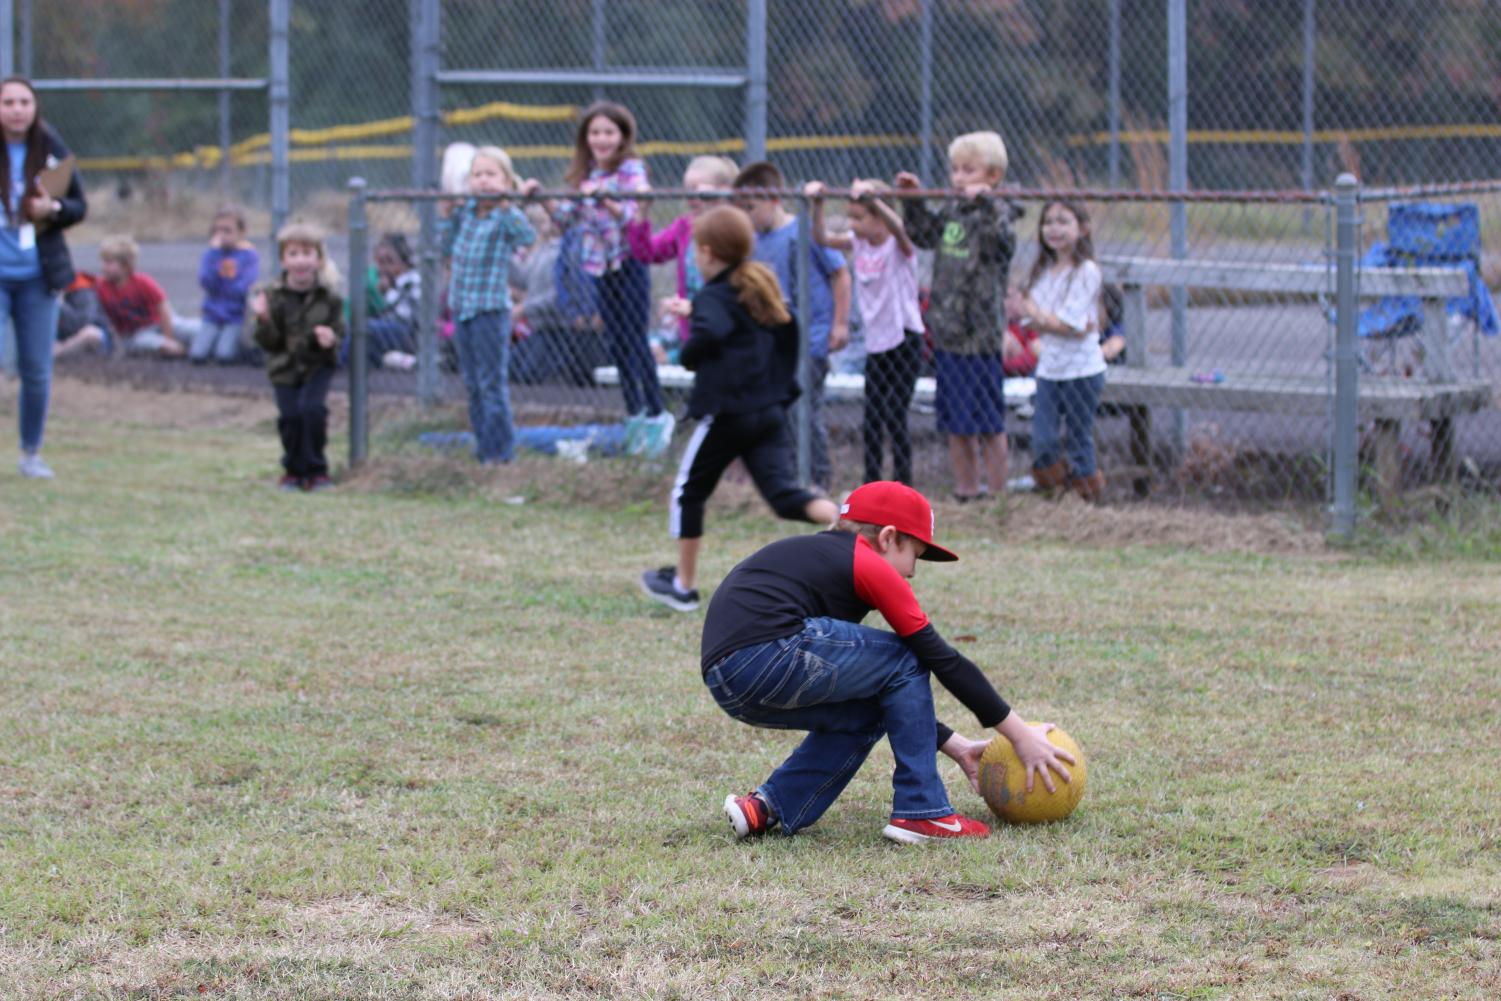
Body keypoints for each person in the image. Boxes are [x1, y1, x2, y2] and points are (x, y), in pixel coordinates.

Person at [704, 480, 1075, 843]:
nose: (912, 571)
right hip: (769, 652)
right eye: (914, 554)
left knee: (867, 712)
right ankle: (923, 811)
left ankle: (768, 806)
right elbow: (941, 658)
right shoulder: (863, 560)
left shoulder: (819, 560)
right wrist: (1020, 735)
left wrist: (955, 745)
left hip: (729, 680)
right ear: (888, 538)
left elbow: (890, 694)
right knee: (907, 655)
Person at [639, 206, 840, 614]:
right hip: (768, 412)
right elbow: (770, 328)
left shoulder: (714, 295)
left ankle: (683, 585)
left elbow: (712, 333)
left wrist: (691, 351)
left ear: (709, 253)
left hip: (728, 414)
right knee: (786, 496)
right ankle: (855, 530)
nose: (693, 257)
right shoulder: (758, 289)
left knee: (688, 492)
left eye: (695, 250)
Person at [524, 101, 671, 453]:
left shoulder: (631, 170)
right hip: (599, 267)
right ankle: (634, 414)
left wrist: (606, 200)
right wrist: (541, 198)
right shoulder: (585, 175)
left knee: (636, 340)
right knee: (617, 343)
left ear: (622, 137)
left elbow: (633, 217)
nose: (601, 139)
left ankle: (656, 415)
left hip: (628, 264)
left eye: (609, 132)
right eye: (595, 133)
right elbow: (566, 219)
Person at [895, 131, 1018, 503]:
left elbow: (1004, 244)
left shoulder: (998, 214)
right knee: (955, 420)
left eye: (969, 170)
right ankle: (966, 490)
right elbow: (924, 235)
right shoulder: (951, 210)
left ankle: (997, 495)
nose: (959, 177)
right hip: (947, 334)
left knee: (988, 421)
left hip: (979, 336)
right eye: (955, 170)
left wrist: (986, 205)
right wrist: (913, 201)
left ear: (992, 176)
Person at [732, 160, 851, 491]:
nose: (747, 215)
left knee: (804, 411)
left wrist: (840, 324)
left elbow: (840, 273)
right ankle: (784, 477)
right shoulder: (754, 241)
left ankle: (818, 477)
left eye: (751, 207)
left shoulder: (803, 233)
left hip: (810, 339)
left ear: (773, 200)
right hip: (773, 343)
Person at [806, 178, 923, 486]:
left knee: (895, 414)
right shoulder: (857, 243)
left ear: (878, 216)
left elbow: (899, 228)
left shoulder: (898, 246)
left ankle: (902, 483)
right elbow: (820, 237)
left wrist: (879, 202)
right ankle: (872, 483)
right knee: (872, 417)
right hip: (876, 343)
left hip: (904, 338)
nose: (853, 224)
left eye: (860, 217)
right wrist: (817, 204)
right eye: (851, 216)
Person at [1, 76, 86, 479]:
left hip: (38, 278)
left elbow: (78, 206)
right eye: (8, 102)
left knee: (36, 369)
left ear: (34, 108)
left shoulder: (50, 148)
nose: (16, 109)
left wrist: (52, 209)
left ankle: (30, 453)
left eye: (24, 102)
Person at [440, 145, 535, 464]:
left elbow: (526, 237)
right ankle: (483, 449)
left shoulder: (504, 216)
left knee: (491, 385)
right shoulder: (464, 213)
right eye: (477, 175)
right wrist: (445, 214)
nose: (483, 181)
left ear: (507, 181)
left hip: (490, 311)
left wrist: (508, 206)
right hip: (462, 307)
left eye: (491, 174)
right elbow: (445, 246)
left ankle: (500, 454)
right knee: (472, 385)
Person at [1006, 200, 1107, 502]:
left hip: (1082, 370)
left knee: (1078, 438)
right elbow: (1041, 320)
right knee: (1044, 440)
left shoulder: (1086, 271)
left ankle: (1087, 499)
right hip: (1050, 369)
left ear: (1082, 228)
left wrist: (1047, 318)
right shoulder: (1042, 271)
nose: (1055, 229)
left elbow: (1065, 323)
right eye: (1048, 222)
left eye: (1064, 222)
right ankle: (1056, 492)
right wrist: (1062, 323)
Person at [251, 221, 344, 492]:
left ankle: (317, 470)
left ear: (319, 259)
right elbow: (269, 342)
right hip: (285, 367)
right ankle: (293, 471)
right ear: (283, 259)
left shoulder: (330, 298)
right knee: (290, 416)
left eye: (307, 253)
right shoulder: (272, 296)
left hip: (317, 366)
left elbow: (339, 332)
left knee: (312, 411)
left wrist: (330, 340)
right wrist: (263, 319)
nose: (301, 260)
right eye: (293, 254)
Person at [624, 154, 739, 349]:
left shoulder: (735, 223)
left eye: (700, 190)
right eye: (688, 189)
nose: (692, 197)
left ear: (723, 191)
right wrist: (642, 213)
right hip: (695, 329)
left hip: (729, 325)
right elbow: (647, 253)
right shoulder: (685, 227)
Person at [188, 205, 259, 364]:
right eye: (217, 230)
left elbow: (243, 286)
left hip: (235, 316)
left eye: (227, 231)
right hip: (212, 315)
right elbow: (207, 282)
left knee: (224, 356)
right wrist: (214, 255)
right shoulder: (211, 254)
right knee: (197, 356)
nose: (221, 235)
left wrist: (225, 284)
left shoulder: (249, 255)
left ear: (241, 232)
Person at [95, 235, 185, 358]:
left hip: (158, 324)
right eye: (103, 262)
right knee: (149, 343)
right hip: (134, 335)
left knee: (191, 330)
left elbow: (163, 307)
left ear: (126, 266)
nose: (103, 267)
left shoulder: (142, 282)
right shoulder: (101, 287)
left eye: (109, 263)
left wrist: (169, 337)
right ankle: (174, 349)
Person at [366, 232, 421, 371]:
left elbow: (406, 317)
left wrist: (388, 291)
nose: (383, 268)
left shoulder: (412, 280)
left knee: (366, 328)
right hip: (391, 329)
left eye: (389, 262)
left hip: (408, 332)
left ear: (404, 262)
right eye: (379, 263)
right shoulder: (392, 283)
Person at [52, 271, 110, 358]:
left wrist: (59, 306)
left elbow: (83, 322)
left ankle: (54, 353)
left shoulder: (82, 289)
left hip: (82, 336)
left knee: (91, 334)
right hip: (61, 338)